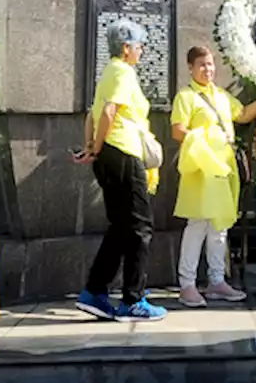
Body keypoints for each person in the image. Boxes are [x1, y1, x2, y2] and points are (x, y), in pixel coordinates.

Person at [74, 19, 166, 322]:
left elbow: (93, 114)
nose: (142, 50)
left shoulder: (109, 72)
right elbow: (109, 112)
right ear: (126, 48)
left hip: (111, 155)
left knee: (121, 226)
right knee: (141, 226)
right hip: (123, 153)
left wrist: (92, 146)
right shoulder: (123, 72)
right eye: (139, 45)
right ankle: (133, 299)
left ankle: (95, 292)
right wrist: (97, 147)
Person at [170, 45, 256, 307]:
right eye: (202, 65)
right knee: (197, 225)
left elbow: (242, 114)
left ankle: (217, 280)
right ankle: (187, 284)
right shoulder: (186, 97)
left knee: (220, 226)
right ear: (191, 68)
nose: (208, 69)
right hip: (202, 167)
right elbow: (177, 131)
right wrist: (204, 140)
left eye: (210, 64)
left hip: (224, 167)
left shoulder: (221, 95)